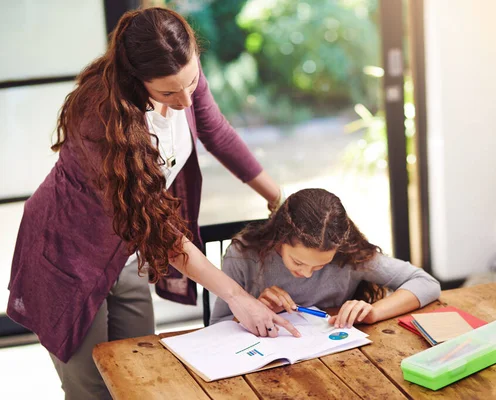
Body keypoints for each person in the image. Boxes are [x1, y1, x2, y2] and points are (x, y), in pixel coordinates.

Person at [6, 7, 298, 399]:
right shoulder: (102, 118)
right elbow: (156, 229)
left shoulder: (182, 75)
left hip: (124, 254)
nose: (183, 100)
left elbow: (218, 133)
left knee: (142, 375)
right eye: (166, 92)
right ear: (134, 77)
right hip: (67, 255)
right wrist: (238, 297)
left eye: (191, 83)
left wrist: (278, 199)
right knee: (93, 390)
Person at [210, 188, 441, 328]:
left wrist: (374, 312)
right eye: (298, 262)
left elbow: (427, 283)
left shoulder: (350, 256)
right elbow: (218, 325)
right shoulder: (244, 255)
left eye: (321, 264)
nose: (307, 273)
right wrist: (253, 309)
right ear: (279, 239)